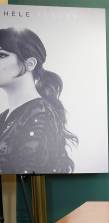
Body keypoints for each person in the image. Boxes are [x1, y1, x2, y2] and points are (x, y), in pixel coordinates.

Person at [0, 27, 77, 174]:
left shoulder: (41, 115)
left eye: (1, 55)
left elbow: (29, 174)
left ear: (30, 64)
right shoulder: (4, 117)